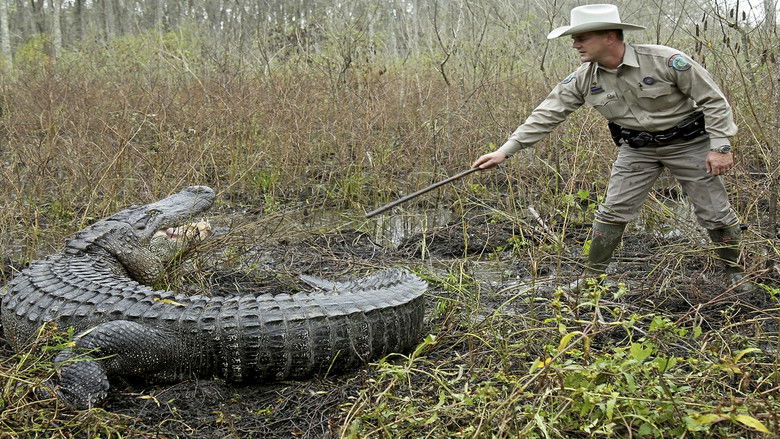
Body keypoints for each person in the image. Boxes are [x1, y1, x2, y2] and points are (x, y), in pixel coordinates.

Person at [471, 4, 751, 291]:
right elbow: (547, 113)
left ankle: (735, 274)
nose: (576, 45)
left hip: (688, 144)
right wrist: (505, 150)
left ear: (610, 36)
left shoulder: (664, 60)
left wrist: (720, 146)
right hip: (637, 149)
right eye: (574, 39)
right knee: (612, 211)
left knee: (715, 212)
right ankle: (592, 280)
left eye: (583, 38)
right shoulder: (583, 78)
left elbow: (713, 101)